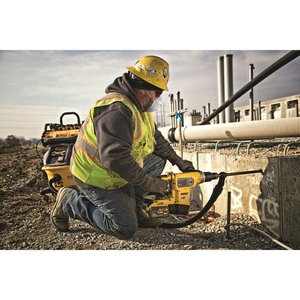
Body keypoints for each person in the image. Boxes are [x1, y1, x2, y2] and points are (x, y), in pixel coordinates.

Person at [50, 55, 195, 239]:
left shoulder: (139, 107)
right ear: (143, 88)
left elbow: (155, 138)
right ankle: (69, 202)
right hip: (96, 175)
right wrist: (151, 184)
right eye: (158, 93)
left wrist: (178, 161)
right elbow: (116, 159)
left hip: (116, 169)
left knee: (158, 159)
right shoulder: (117, 110)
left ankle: (137, 209)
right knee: (124, 228)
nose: (158, 98)